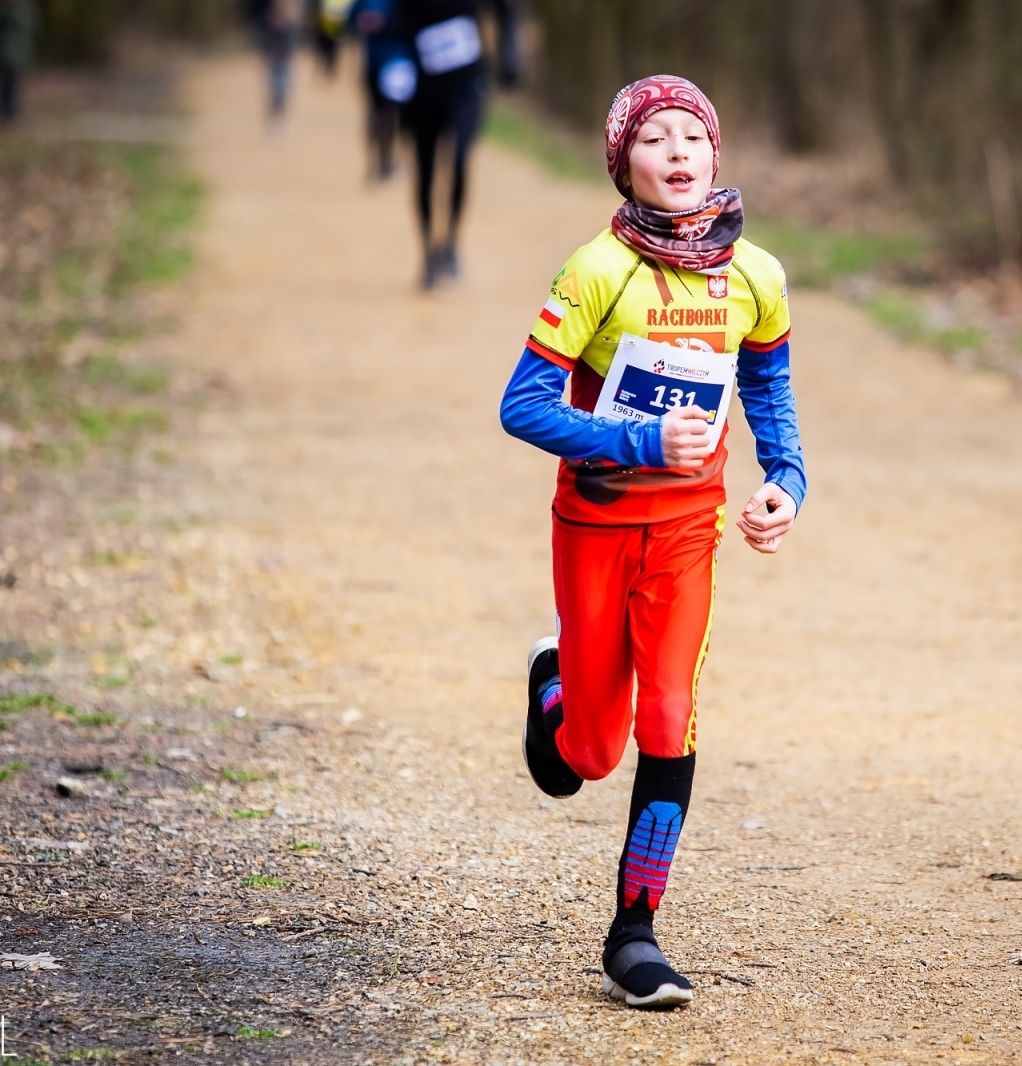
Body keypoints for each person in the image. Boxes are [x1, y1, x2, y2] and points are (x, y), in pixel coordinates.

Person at [498, 75, 806, 1009]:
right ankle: (553, 682)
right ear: (622, 165)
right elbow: (522, 407)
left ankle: (635, 933)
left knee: (669, 714)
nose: (676, 153)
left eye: (691, 137)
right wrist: (634, 441)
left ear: (716, 154)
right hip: (594, 524)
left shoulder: (756, 276)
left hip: (685, 528)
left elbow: (770, 401)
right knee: (584, 758)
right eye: (652, 140)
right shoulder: (599, 270)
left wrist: (786, 483)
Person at [394, 0, 518, 288]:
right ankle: (427, 251)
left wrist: (509, 55)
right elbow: (392, 27)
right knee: (425, 171)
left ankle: (450, 241)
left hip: (466, 88)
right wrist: (394, 69)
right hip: (422, 90)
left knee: (461, 158)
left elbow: (506, 10)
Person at [350, 0, 406, 180]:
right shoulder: (366, 2)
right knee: (375, 113)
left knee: (391, 113)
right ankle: (375, 160)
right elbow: (352, 22)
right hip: (373, 64)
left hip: (397, 63)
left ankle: (387, 160)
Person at [0, 0, 36, 126]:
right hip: (12, 55)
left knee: (7, 84)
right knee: (9, 84)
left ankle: (6, 113)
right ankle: (6, 113)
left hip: (6, 54)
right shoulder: (23, 11)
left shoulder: (5, 11)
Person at [243, 0, 299, 123]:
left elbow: (289, 49)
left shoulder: (287, 30)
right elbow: (263, 48)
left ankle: (280, 115)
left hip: (283, 65)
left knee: (282, 91)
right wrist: (264, 60)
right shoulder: (267, 30)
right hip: (272, 66)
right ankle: (271, 116)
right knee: (272, 91)